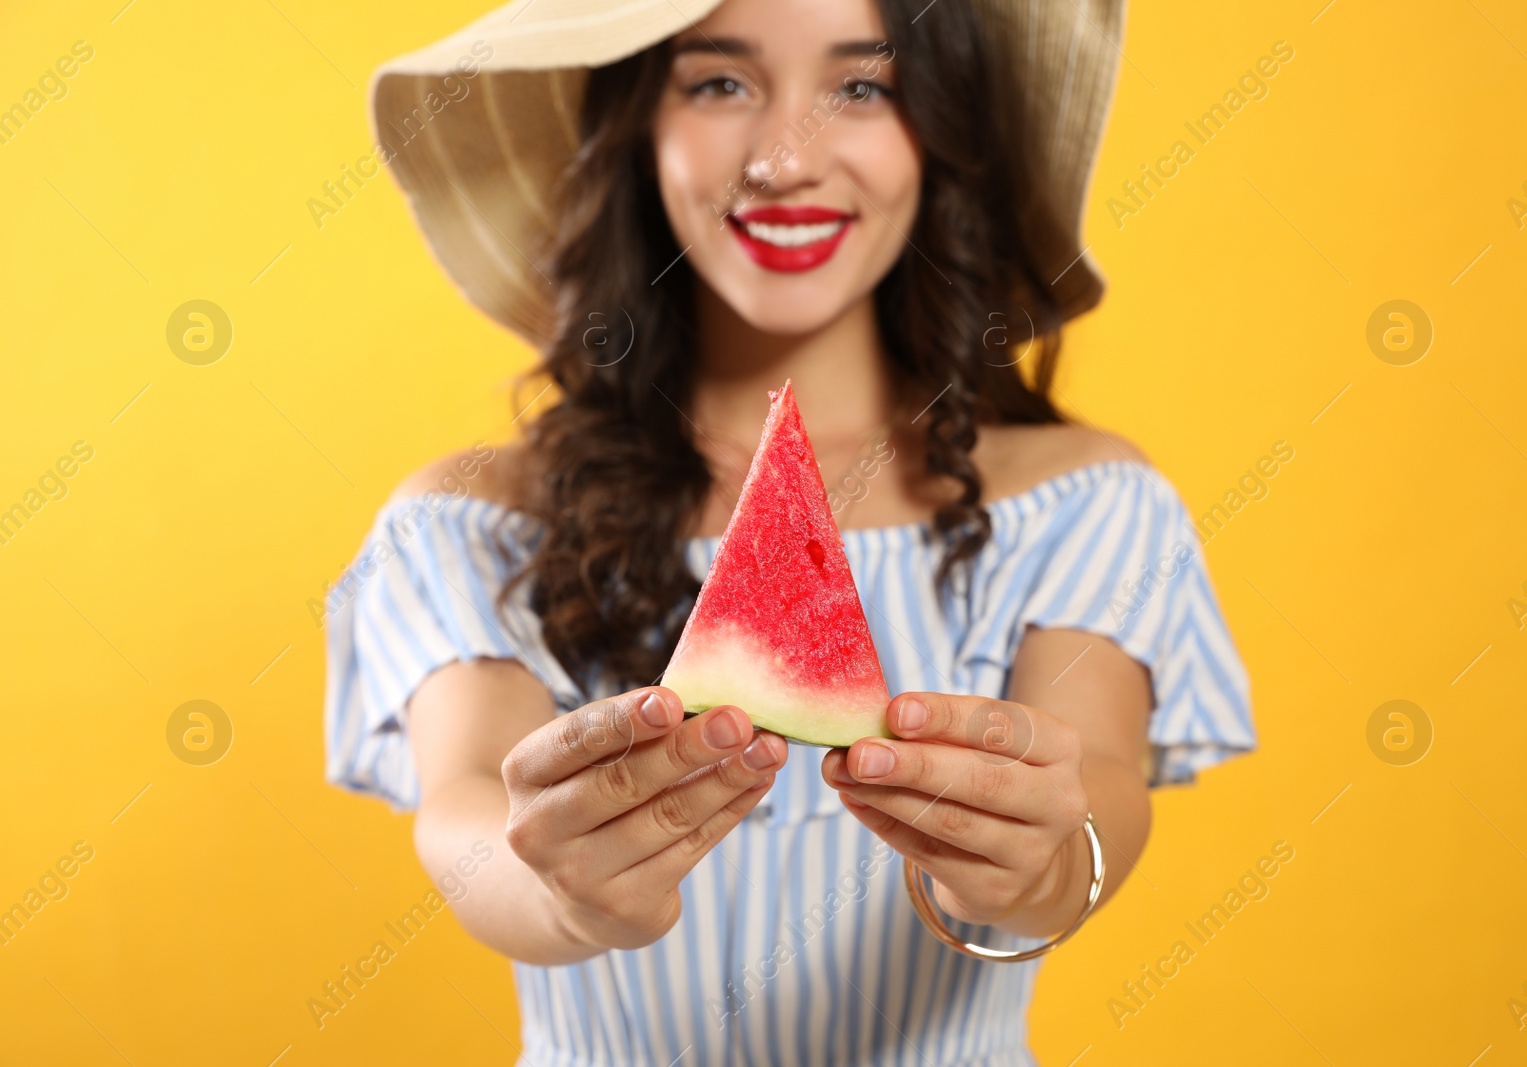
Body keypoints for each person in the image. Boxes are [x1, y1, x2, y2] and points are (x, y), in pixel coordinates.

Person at [324, 0, 1257, 1062]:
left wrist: (1037, 862)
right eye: (719, 82)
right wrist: (560, 886)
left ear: (939, 130)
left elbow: (1099, 790)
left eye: (862, 86)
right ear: (636, 125)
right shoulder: (470, 521)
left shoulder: (1090, 503)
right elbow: (463, 804)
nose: (782, 158)